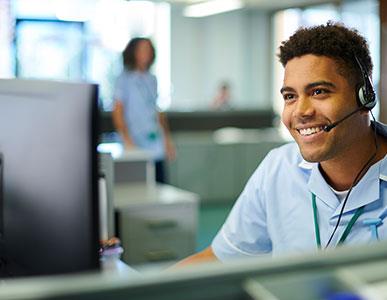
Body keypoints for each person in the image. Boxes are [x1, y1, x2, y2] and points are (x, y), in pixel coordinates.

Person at [177, 22, 387, 265]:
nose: (301, 111)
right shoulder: (279, 167)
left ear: (365, 96)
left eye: (319, 92)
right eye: (290, 96)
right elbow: (220, 258)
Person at [112, 37, 175, 183]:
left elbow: (157, 110)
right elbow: (118, 111)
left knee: (160, 183)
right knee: (138, 185)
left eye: (148, 50)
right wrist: (127, 140)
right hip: (134, 140)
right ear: (132, 52)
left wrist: (167, 140)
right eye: (142, 50)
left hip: (154, 139)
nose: (146, 53)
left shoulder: (152, 79)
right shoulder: (123, 80)